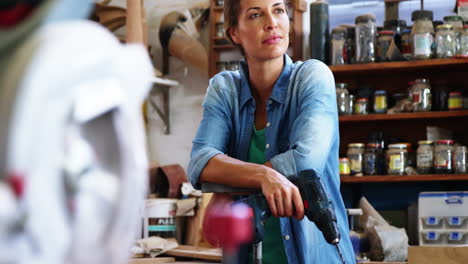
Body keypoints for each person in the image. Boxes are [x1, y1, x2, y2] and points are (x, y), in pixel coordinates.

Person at [188, 0, 355, 263]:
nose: (271, 22)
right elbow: (200, 161)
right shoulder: (225, 89)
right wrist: (264, 176)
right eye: (256, 15)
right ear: (234, 33)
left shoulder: (313, 77)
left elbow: (305, 161)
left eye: (278, 10)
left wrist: (226, 187)